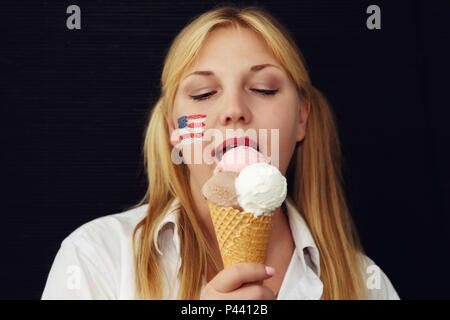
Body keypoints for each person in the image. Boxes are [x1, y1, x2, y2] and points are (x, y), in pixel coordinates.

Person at [41, 5, 400, 300]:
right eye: (202, 94)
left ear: (302, 118)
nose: (233, 109)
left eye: (263, 88)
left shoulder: (369, 286)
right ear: (174, 130)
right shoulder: (95, 257)